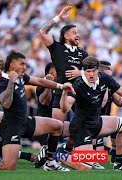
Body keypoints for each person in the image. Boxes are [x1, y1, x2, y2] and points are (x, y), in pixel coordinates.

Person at [0, 51, 74, 171]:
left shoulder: (22, 77)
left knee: (57, 126)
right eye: (21, 64)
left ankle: (50, 162)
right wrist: (11, 81)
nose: (24, 67)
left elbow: (40, 81)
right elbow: (6, 103)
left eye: (25, 64)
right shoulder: (3, 81)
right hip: (12, 126)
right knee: (8, 166)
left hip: (25, 122)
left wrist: (61, 86)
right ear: (11, 65)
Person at [60, 56, 122, 171]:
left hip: (97, 122)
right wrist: (64, 93)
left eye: (94, 71)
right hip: (81, 127)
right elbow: (65, 109)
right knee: (86, 167)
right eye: (88, 71)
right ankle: (54, 155)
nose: (91, 74)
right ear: (84, 72)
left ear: (98, 70)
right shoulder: (78, 85)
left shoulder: (105, 78)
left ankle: (119, 163)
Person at [39, 6, 89, 155]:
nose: (78, 35)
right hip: (61, 92)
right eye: (74, 32)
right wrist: (58, 17)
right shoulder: (57, 48)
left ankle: (67, 152)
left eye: (78, 32)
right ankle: (50, 157)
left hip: (79, 93)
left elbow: (94, 71)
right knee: (57, 127)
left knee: (81, 126)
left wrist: (80, 72)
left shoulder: (82, 52)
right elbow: (42, 32)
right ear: (66, 36)